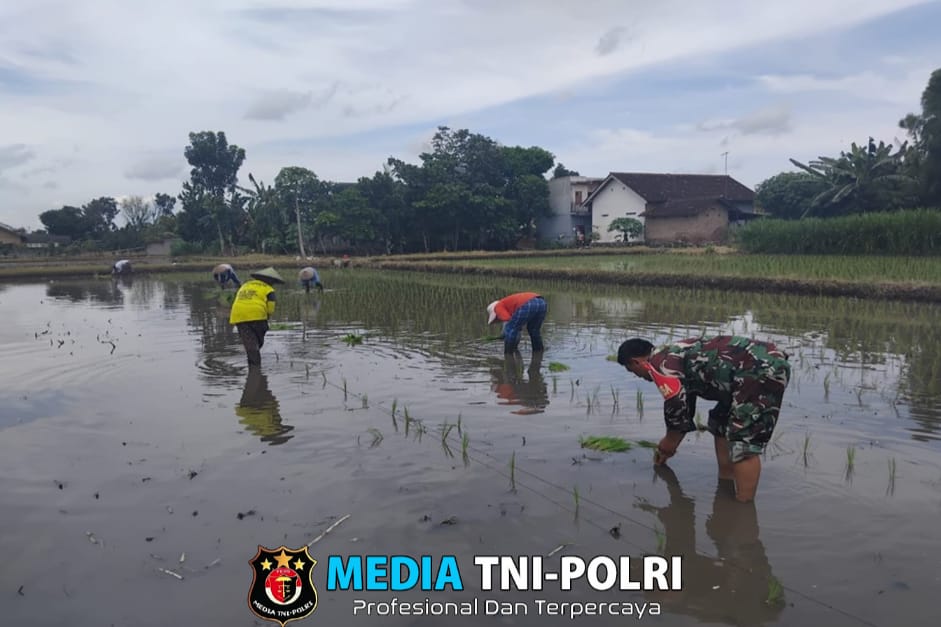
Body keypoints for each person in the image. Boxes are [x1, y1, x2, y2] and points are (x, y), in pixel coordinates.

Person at [616, 335, 791, 503]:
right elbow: (686, 404)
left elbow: (676, 403)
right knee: (720, 421)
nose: (637, 376)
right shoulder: (671, 355)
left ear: (636, 362)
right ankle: (725, 486)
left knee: (743, 441)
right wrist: (672, 444)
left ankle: (743, 507)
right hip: (750, 369)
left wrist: (669, 442)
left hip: (759, 369)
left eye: (632, 370)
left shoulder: (660, 365)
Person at [635, 465, 782, 626]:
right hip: (719, 588)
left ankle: (742, 509)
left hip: (744, 593)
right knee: (719, 540)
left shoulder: (714, 602)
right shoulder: (693, 592)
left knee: (741, 553)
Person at [228, 267, 285, 367]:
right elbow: (271, 308)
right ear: (271, 281)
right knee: (258, 341)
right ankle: (256, 368)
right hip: (257, 316)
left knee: (250, 342)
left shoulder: (245, 285)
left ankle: (253, 366)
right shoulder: (269, 289)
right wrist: (267, 316)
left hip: (238, 315)